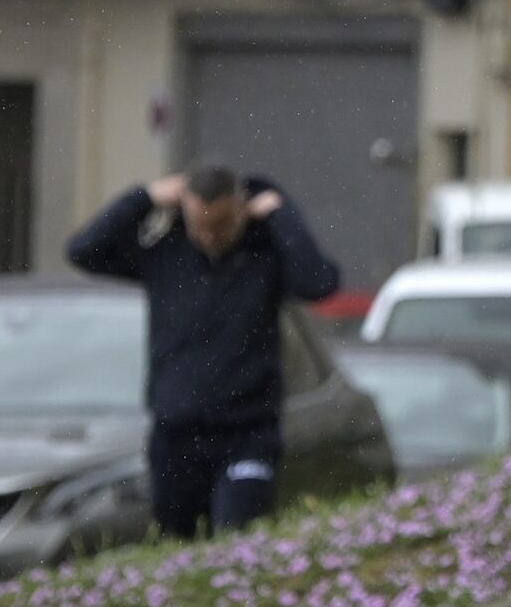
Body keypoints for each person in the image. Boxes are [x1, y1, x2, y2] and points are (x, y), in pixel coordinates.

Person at [66, 165, 340, 538]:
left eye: (222, 225)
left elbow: (319, 282)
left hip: (247, 433)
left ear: (243, 210)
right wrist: (143, 197)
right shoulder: (164, 256)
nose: (210, 237)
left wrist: (280, 210)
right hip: (175, 436)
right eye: (200, 226)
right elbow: (83, 251)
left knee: (236, 536)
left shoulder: (263, 257)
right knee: (178, 545)